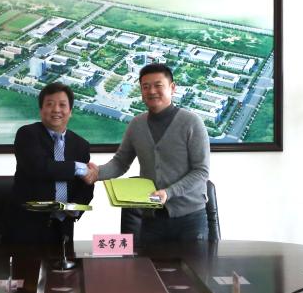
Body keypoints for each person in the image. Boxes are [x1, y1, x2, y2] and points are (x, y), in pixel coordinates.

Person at [86, 63, 211, 244]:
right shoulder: (136, 124)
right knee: (149, 263)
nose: (151, 91)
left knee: (193, 264)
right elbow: (120, 162)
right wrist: (97, 173)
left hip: (190, 218)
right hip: (151, 218)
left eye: (158, 85)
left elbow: (201, 171)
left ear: (172, 88)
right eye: (145, 87)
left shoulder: (192, 122)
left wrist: (169, 193)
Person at [7, 82, 94, 244]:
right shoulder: (27, 134)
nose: (56, 110)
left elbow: (86, 186)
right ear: (41, 110)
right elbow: (39, 167)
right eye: (50, 104)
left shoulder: (81, 145)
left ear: (70, 111)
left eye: (62, 105)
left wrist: (76, 208)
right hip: (26, 227)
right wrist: (78, 167)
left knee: (66, 262)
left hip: (63, 228)